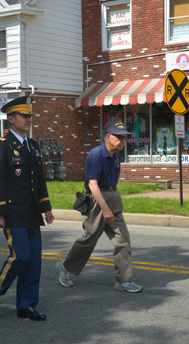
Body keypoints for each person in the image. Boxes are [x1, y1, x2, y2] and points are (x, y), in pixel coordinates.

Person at [0, 96, 54, 321]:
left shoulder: (32, 146)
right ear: (11, 119)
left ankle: (26, 305)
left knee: (34, 261)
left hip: (32, 212)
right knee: (21, 257)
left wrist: (46, 207)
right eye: (24, 116)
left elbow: (39, 179)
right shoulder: (2, 147)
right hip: (13, 213)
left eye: (30, 116)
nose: (29, 119)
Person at [56, 121, 143, 293]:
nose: (122, 141)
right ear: (108, 137)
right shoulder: (95, 155)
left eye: (124, 138)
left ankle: (123, 281)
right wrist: (105, 209)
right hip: (98, 201)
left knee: (122, 239)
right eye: (119, 137)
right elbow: (93, 184)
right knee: (89, 240)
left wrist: (112, 202)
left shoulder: (116, 154)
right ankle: (65, 267)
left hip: (112, 196)